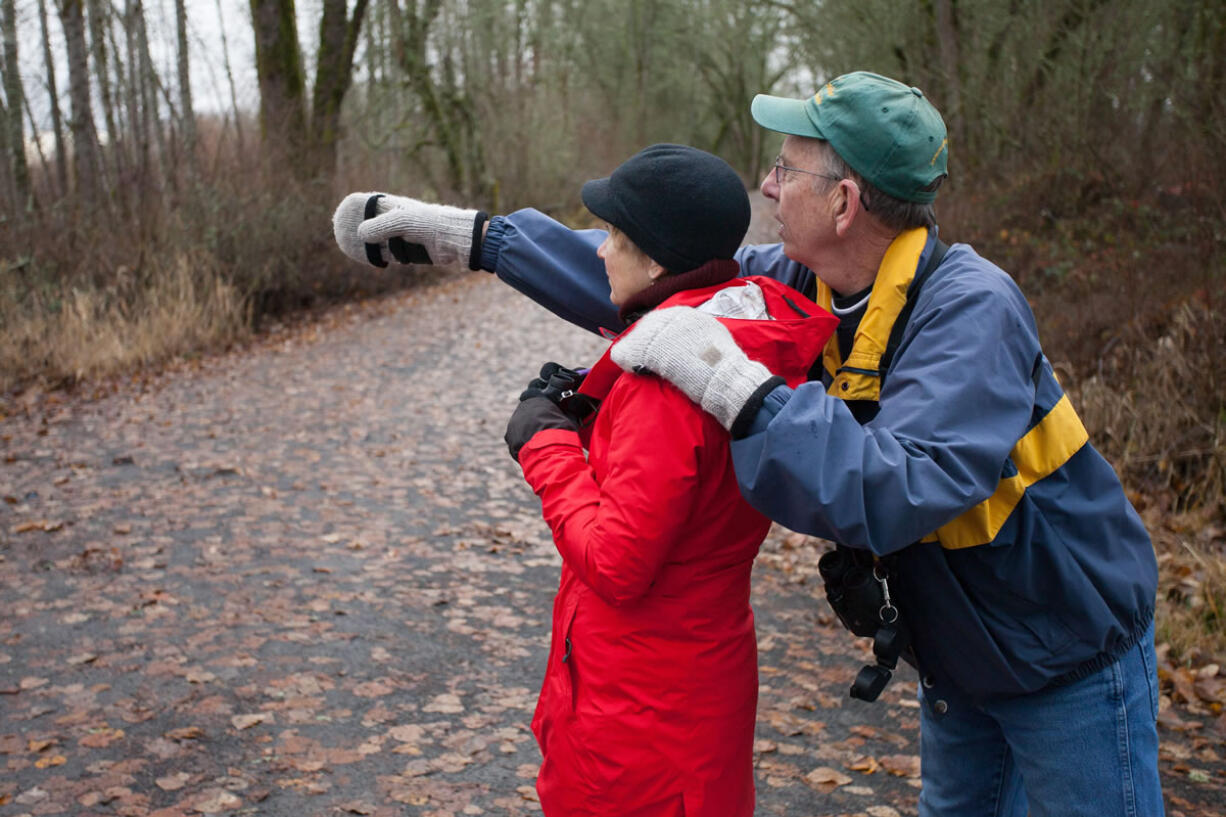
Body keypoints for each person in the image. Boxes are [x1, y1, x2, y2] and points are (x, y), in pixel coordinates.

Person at [331, 72, 1162, 817]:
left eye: (787, 170)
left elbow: (898, 486)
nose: (767, 183)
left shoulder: (968, 308)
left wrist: (742, 392)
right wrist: (475, 239)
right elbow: (661, 274)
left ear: (844, 203)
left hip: (1062, 650)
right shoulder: (814, 280)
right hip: (959, 646)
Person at [499, 144, 836, 816]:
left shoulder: (668, 383)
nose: (598, 253)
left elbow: (619, 562)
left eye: (614, 238)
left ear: (656, 261)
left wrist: (546, 447)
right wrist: (594, 413)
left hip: (643, 729)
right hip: (680, 698)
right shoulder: (725, 336)